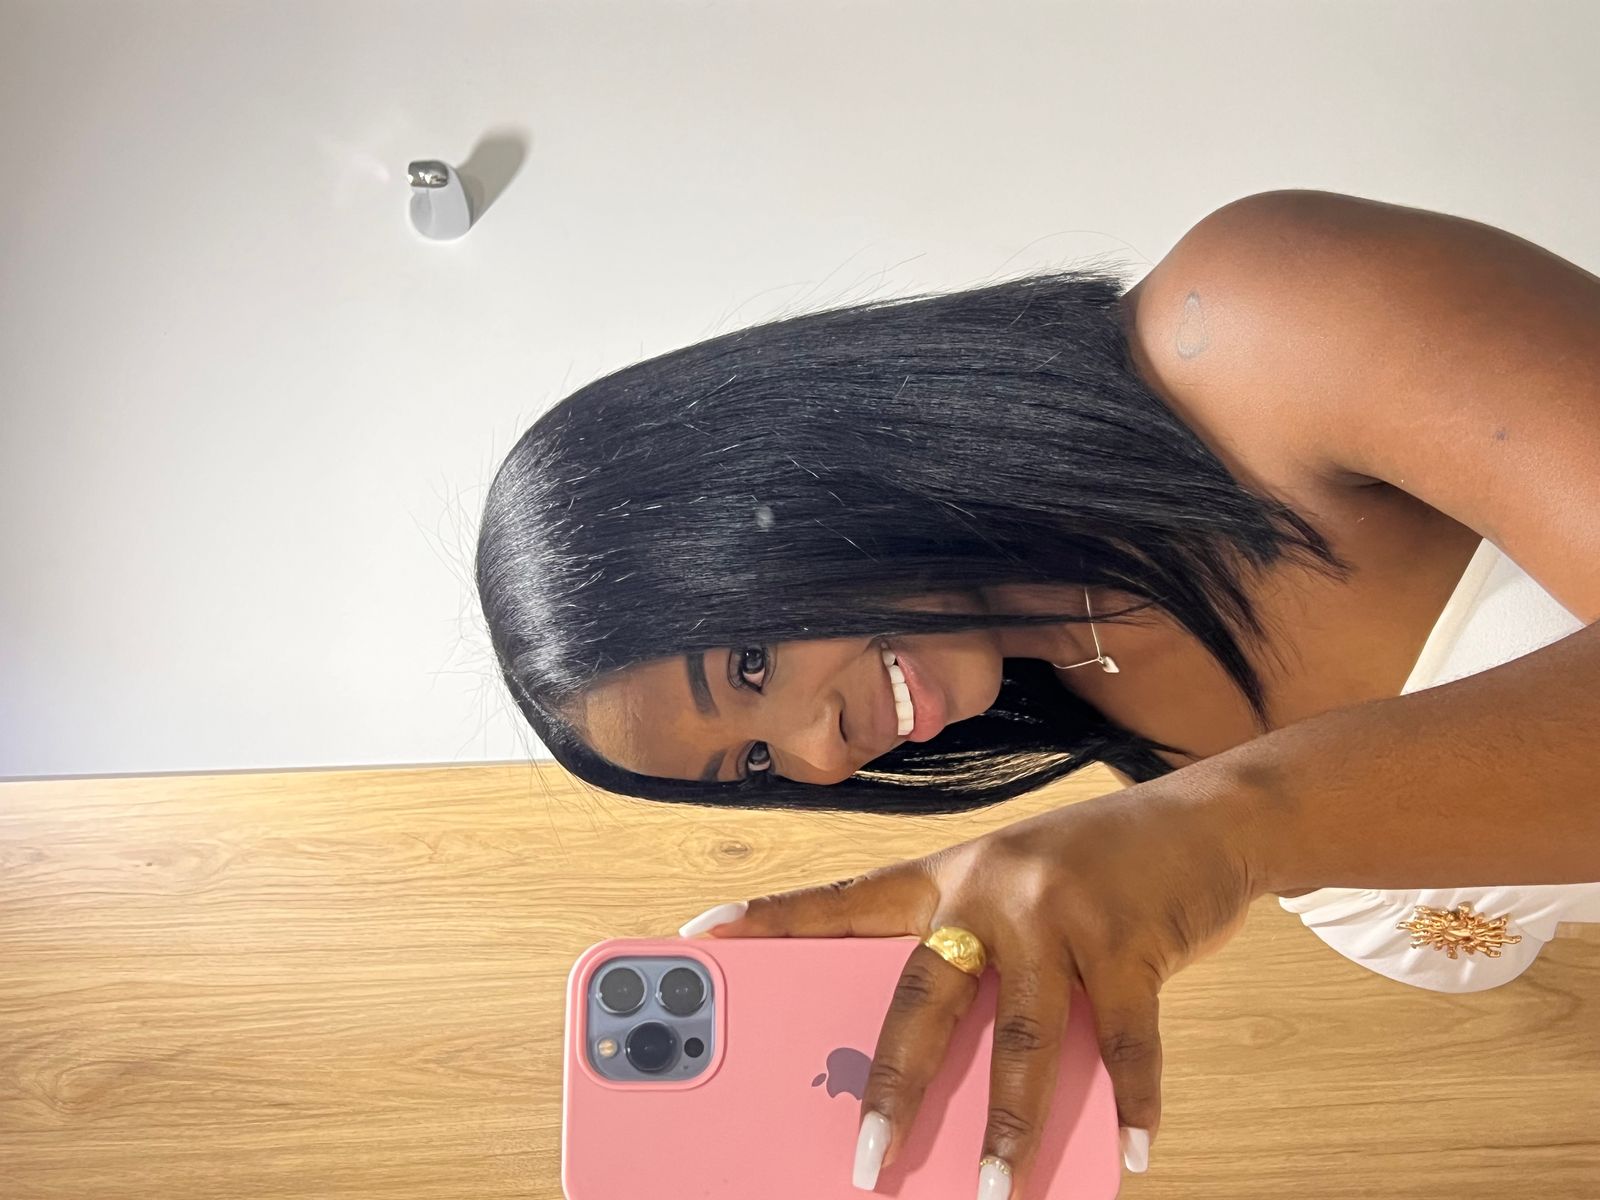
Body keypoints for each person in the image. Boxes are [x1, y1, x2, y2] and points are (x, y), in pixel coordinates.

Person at [475, 189, 1600, 1196]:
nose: (817, 754)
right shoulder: (1122, 740)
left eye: (750, 665)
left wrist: (1233, 829)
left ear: (774, 475)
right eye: (756, 762)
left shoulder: (1260, 317)